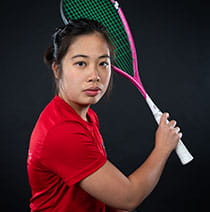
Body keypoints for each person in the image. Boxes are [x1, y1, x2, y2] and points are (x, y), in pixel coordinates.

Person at [27, 19, 182, 212]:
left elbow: (104, 197)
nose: (95, 75)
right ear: (57, 70)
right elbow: (127, 198)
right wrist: (162, 148)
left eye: (103, 63)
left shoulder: (86, 117)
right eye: (81, 63)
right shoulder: (62, 131)